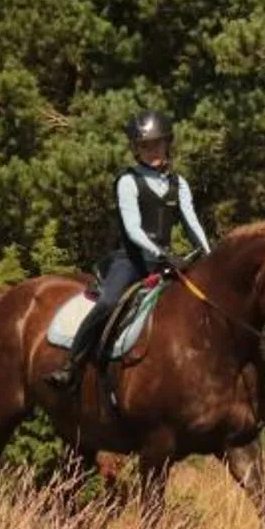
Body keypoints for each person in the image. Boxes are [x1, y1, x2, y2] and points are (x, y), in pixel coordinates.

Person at [64, 108, 213, 381]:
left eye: (157, 144)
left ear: (167, 144)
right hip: (132, 262)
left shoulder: (179, 184)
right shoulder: (128, 181)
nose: (152, 151)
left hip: (166, 262)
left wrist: (210, 256)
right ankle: (73, 363)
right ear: (136, 149)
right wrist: (162, 254)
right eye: (144, 146)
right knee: (108, 303)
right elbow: (133, 229)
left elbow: (192, 224)